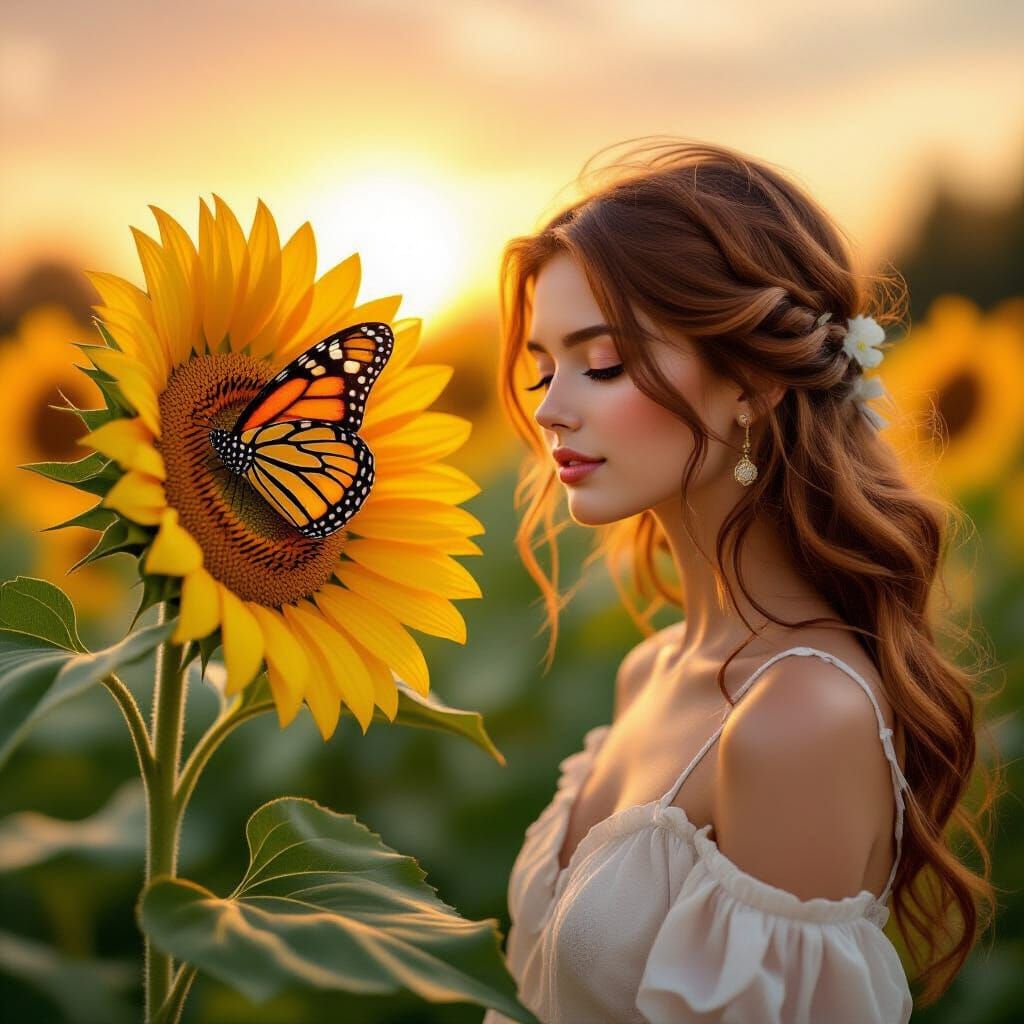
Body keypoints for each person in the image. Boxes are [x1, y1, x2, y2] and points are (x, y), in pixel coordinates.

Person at [483, 139, 999, 1023]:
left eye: (600, 363)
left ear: (751, 384)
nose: (549, 406)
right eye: (541, 367)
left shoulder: (797, 721)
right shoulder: (648, 671)